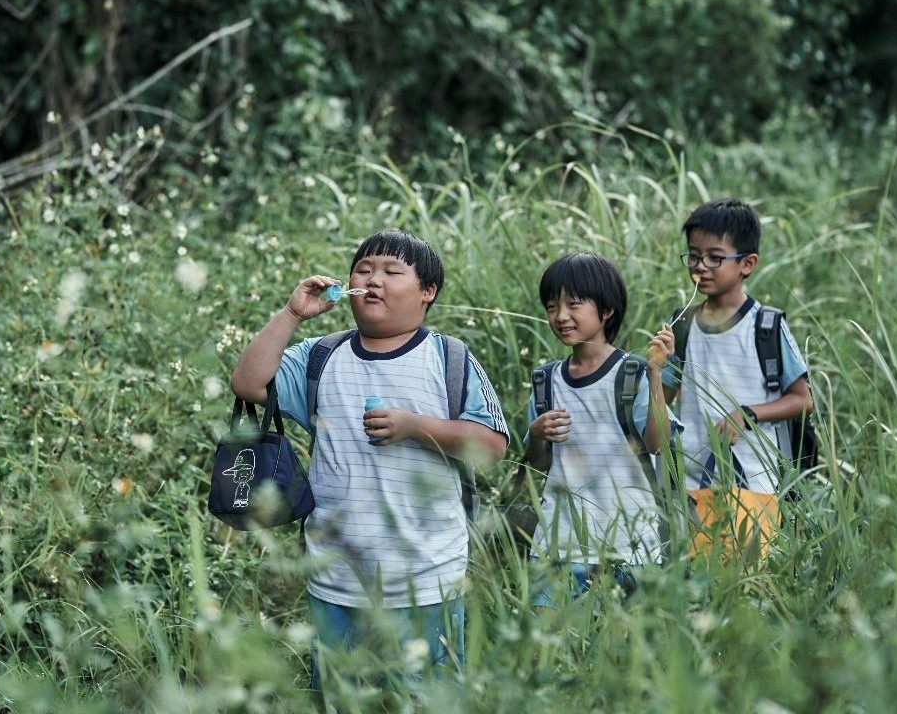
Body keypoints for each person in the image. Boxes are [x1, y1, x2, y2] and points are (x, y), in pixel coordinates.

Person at [229, 228, 508, 698]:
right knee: (340, 699)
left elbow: (493, 446)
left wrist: (414, 427)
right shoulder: (322, 356)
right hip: (335, 580)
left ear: (427, 292)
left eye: (391, 272)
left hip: (429, 581)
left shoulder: (448, 358)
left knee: (425, 701)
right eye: (363, 269)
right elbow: (248, 382)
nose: (373, 279)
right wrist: (292, 314)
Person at [664, 198, 814, 563]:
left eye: (715, 257)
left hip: (756, 484)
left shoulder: (765, 326)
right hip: (692, 482)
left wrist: (746, 414)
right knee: (698, 586)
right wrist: (657, 364)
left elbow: (803, 399)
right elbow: (665, 396)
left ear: (747, 263)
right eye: (694, 256)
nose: (701, 267)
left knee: (746, 589)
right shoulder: (683, 324)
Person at [524, 252, 676, 606]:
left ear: (606, 310)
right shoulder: (545, 380)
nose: (560, 316)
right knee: (551, 648)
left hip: (629, 546)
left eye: (574, 304)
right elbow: (536, 461)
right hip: (556, 545)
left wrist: (655, 374)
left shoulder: (632, 373)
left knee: (622, 653)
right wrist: (535, 432)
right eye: (552, 306)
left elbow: (658, 444)